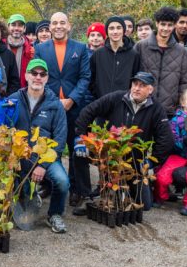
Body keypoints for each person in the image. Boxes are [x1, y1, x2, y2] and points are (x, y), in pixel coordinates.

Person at [75, 71, 175, 212]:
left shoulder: (156, 109)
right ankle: (86, 196)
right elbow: (88, 111)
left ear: (150, 90)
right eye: (135, 84)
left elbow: (167, 139)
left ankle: (121, 192)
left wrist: (151, 162)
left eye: (142, 85)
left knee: (145, 205)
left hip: (134, 165)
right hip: (109, 158)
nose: (136, 88)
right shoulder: (116, 98)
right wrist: (80, 138)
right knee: (79, 155)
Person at [34, 12, 92, 212]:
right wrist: (54, 101)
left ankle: (77, 190)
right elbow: (39, 76)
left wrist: (72, 99)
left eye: (62, 23)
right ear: (49, 27)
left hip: (75, 107)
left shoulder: (80, 48)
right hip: (50, 106)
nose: (58, 26)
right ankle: (51, 186)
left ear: (69, 26)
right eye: (54, 23)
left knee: (76, 149)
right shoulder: (40, 48)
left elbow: (85, 77)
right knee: (50, 147)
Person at [8, 59, 70, 233]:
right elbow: (4, 130)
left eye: (42, 74)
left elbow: (59, 138)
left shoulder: (55, 104)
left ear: (47, 78)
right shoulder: (13, 100)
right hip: (19, 157)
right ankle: (13, 204)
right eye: (34, 73)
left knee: (62, 181)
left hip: (45, 156)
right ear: (26, 75)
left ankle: (55, 214)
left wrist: (42, 165)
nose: (37, 77)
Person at [154, 89, 187, 215]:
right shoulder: (176, 120)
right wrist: (183, 142)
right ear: (183, 103)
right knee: (162, 176)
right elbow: (173, 140)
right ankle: (161, 196)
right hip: (180, 154)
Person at [134, 6, 187, 117]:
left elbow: (184, 82)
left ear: (174, 26)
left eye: (170, 25)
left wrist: (179, 106)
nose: (166, 28)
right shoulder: (141, 46)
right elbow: (131, 74)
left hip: (168, 110)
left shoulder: (180, 50)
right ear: (157, 24)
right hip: (142, 106)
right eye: (163, 24)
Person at [89, 16, 142, 100]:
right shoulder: (98, 54)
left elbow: (137, 80)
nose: (115, 31)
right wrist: (98, 94)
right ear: (107, 31)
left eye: (118, 28)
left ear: (123, 30)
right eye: (111, 28)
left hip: (125, 105)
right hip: (102, 104)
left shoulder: (133, 55)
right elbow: (91, 79)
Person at [7, 14, 35, 89]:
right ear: (8, 27)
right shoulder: (0, 46)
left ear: (24, 28)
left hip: (22, 91)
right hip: (2, 92)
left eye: (20, 25)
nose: (16, 28)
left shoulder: (30, 50)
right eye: (13, 25)